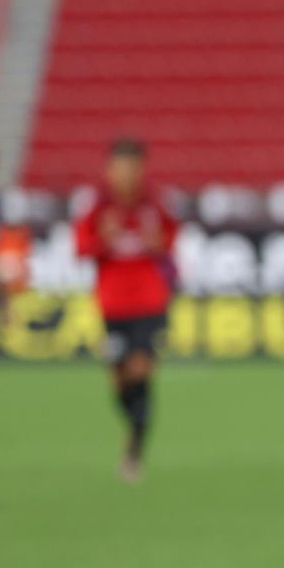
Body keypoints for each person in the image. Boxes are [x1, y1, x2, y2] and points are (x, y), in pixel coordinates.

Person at [73, 138, 176, 482]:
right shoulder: (97, 206)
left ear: (142, 169)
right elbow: (81, 247)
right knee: (119, 380)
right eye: (120, 168)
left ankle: (133, 452)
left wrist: (157, 244)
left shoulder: (155, 204)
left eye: (133, 168)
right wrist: (103, 239)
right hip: (113, 304)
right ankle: (135, 431)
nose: (127, 175)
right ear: (109, 170)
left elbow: (171, 242)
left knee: (140, 368)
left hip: (149, 301)